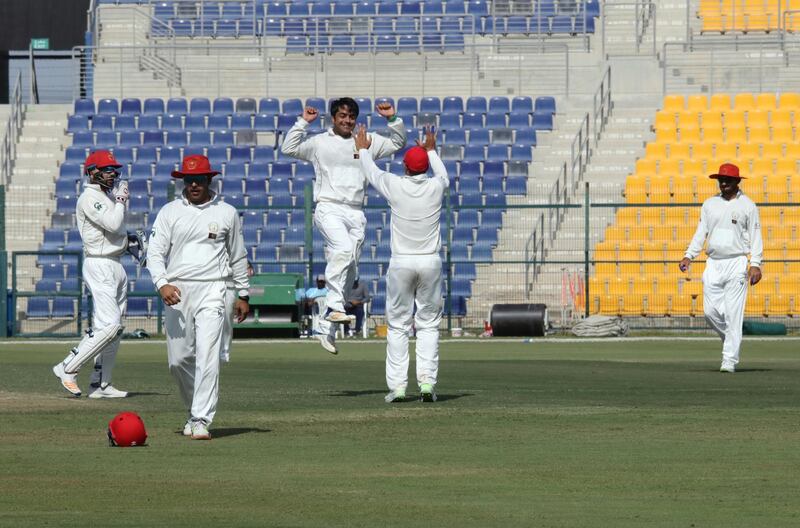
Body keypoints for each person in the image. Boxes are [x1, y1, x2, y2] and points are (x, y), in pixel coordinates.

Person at [281, 97, 406, 353]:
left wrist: (393, 119)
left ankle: (325, 328)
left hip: (356, 211)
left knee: (350, 267)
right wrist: (303, 122)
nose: (347, 121)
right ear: (333, 118)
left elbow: (398, 142)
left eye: (351, 117)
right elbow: (289, 148)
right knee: (342, 249)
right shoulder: (319, 142)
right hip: (329, 206)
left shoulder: (366, 139)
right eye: (342, 116)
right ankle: (334, 307)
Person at [147, 155, 250, 440]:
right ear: (182, 181)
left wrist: (243, 293)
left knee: (207, 355)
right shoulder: (169, 212)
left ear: (209, 180)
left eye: (199, 180)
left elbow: (238, 254)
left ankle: (201, 418)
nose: (194, 184)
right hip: (178, 291)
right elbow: (154, 252)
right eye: (189, 180)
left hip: (214, 289)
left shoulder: (227, 212)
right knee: (178, 360)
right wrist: (162, 283)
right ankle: (195, 409)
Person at [354, 125, 448, 403]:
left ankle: (397, 387)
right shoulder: (436, 186)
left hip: (401, 264)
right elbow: (442, 174)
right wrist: (431, 151)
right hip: (430, 262)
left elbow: (370, 172)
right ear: (424, 169)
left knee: (397, 326)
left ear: (406, 168)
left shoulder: (395, 185)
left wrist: (362, 147)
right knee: (428, 325)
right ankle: (427, 383)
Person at [52, 150, 130, 399]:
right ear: (92, 172)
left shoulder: (106, 198)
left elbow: (116, 231)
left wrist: (130, 242)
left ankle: (101, 385)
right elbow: (114, 224)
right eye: (107, 170)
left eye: (113, 170)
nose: (112, 174)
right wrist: (120, 200)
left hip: (115, 263)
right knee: (110, 325)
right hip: (100, 264)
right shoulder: (90, 197)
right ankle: (67, 367)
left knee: (114, 329)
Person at [680, 163, 763, 373]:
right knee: (710, 312)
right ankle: (731, 337)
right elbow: (701, 232)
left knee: (734, 314)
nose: (723, 183)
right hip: (714, 263)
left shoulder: (748, 206)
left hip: (736, 262)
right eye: (721, 180)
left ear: (737, 182)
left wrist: (755, 264)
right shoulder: (709, 204)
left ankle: (729, 360)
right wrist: (689, 255)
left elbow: (755, 237)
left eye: (728, 180)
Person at [220, 261, 254, 364]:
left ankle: (224, 352)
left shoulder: (234, 248)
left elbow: (244, 263)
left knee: (226, 321)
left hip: (229, 286)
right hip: (211, 284)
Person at [304, 274, 338, 353]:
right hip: (314, 311)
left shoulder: (328, 291)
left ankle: (327, 337)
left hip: (327, 311)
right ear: (316, 281)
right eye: (320, 281)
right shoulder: (311, 291)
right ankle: (316, 332)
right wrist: (312, 301)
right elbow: (307, 302)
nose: (321, 283)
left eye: (322, 282)